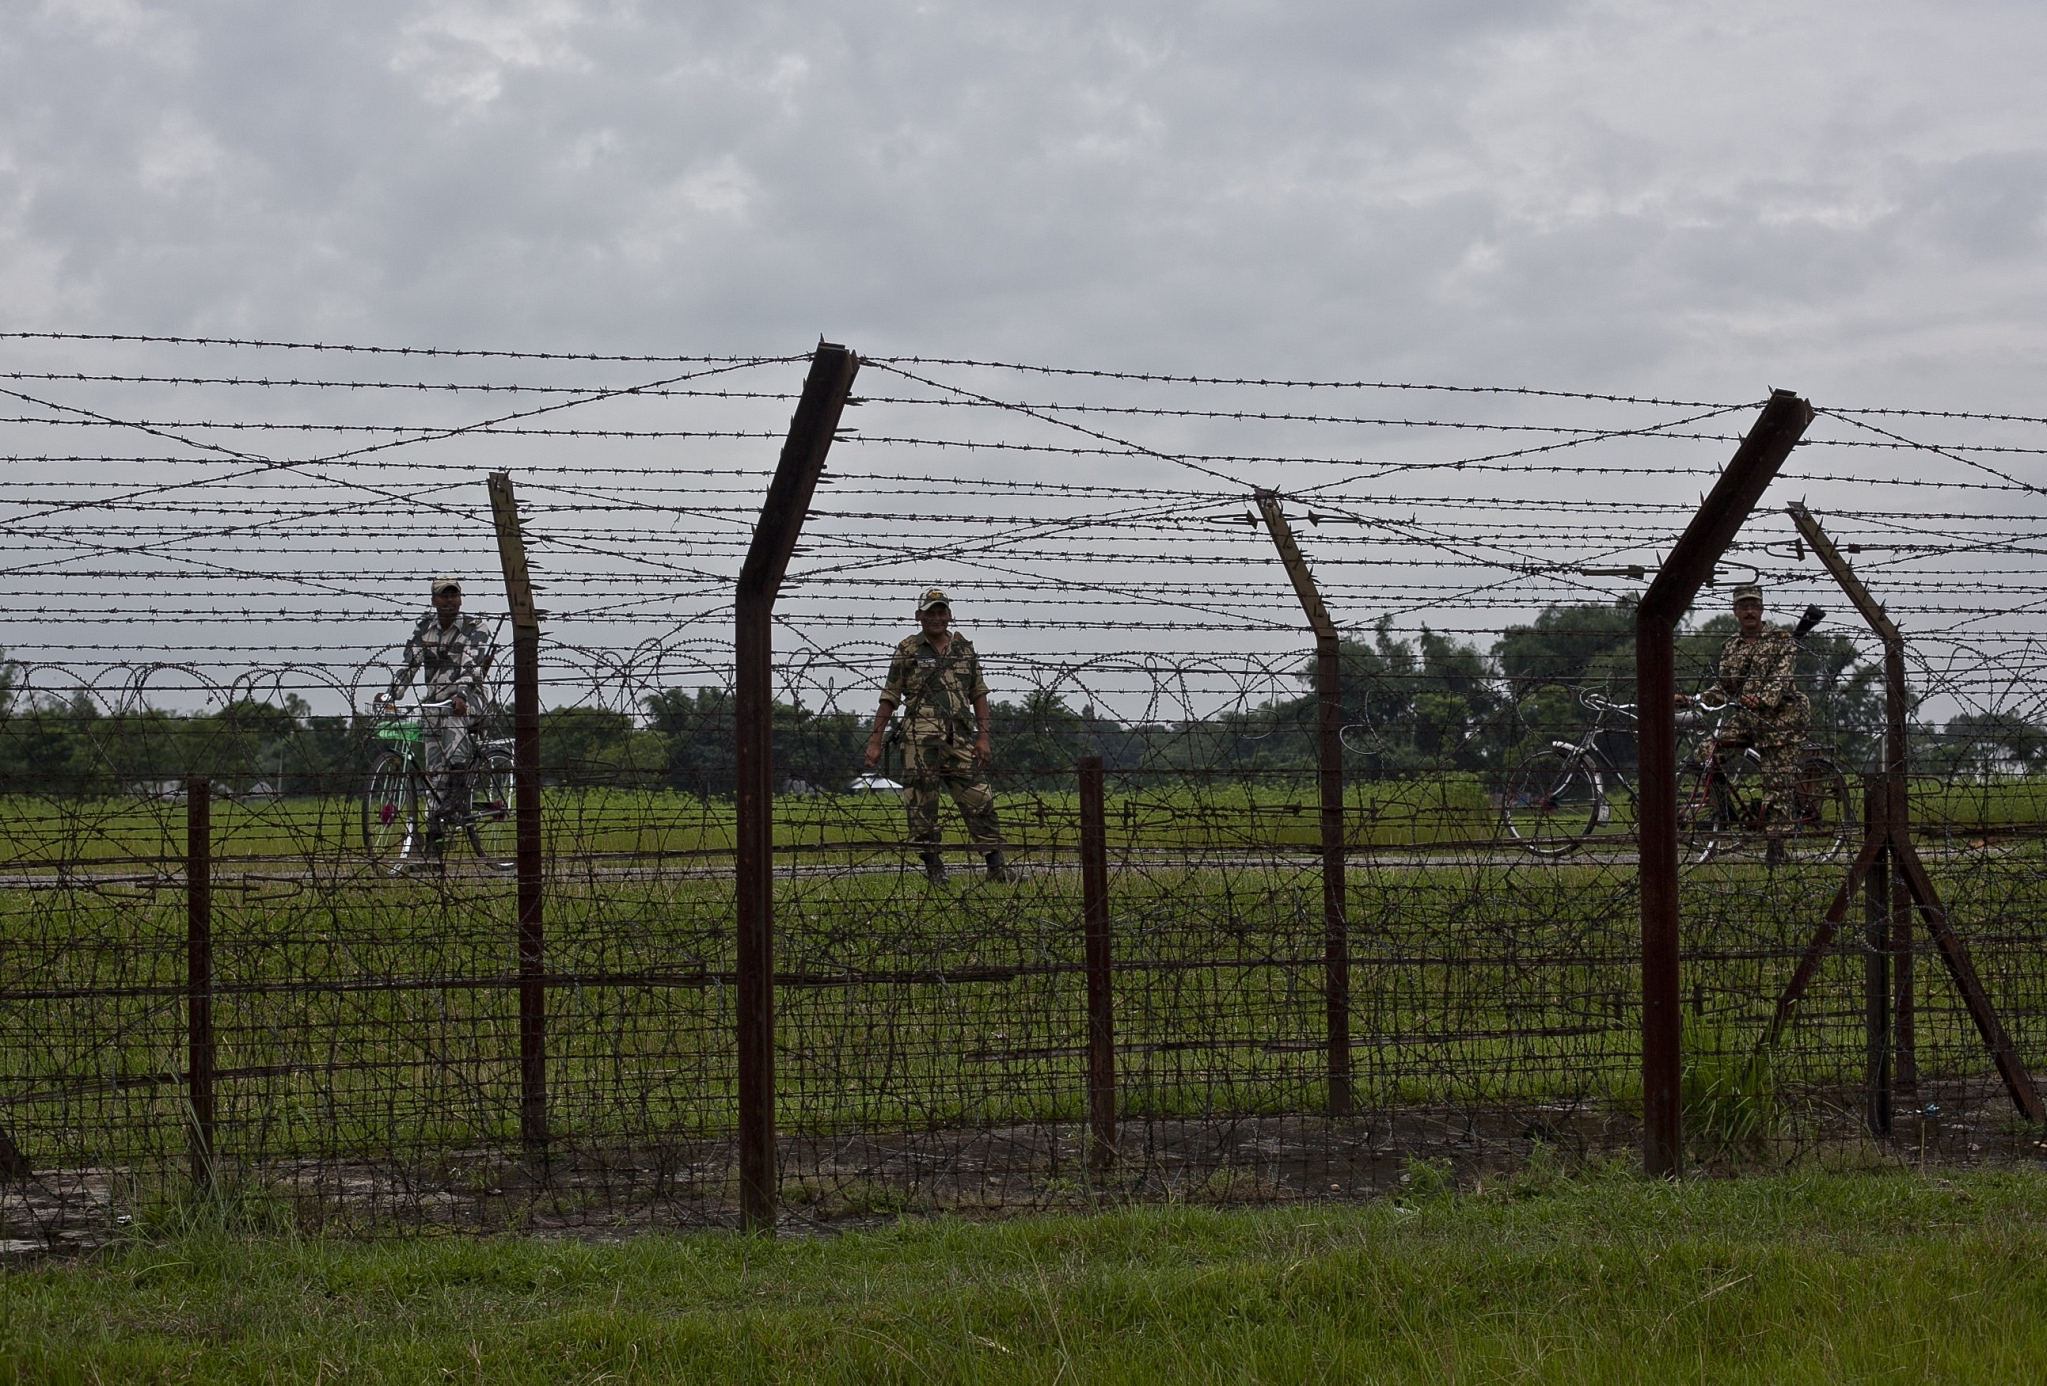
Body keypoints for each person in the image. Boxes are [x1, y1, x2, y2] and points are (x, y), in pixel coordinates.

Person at [863, 588, 1008, 884]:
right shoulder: (908, 649)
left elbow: (978, 694)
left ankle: (996, 866)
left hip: (959, 739)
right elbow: (889, 696)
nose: (937, 618)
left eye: (941, 612)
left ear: (949, 615)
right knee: (921, 805)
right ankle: (934, 868)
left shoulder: (964, 650)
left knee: (979, 798)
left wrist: (983, 738)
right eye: (930, 613)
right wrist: (875, 741)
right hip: (919, 741)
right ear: (919, 616)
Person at [1676, 583, 1810, 864]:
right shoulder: (1731, 646)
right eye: (1744, 606)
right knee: (1706, 754)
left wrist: (1761, 698)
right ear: (1735, 611)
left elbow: (1781, 679)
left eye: (1754, 606)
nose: (1750, 611)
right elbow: (1724, 689)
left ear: (1761, 610)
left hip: (1780, 719)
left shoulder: (1781, 639)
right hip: (1747, 718)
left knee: (1776, 782)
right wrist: (1693, 698)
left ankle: (1776, 845)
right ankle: (1723, 812)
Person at [377, 576, 493, 856]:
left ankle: (457, 791)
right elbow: (410, 663)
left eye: (454, 595)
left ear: (461, 599)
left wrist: (462, 695)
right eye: (444, 595)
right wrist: (392, 694)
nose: (450, 600)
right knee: (433, 771)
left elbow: (472, 666)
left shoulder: (474, 628)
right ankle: (436, 835)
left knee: (454, 720)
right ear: (434, 600)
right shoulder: (424, 628)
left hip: (471, 700)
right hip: (434, 705)